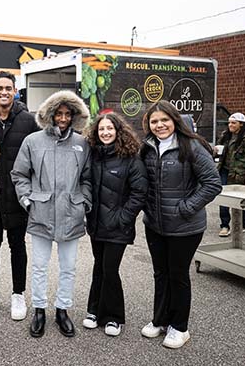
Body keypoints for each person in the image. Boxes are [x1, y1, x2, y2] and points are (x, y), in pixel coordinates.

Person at [139, 100, 221, 349]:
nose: (159, 125)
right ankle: (160, 320)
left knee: (178, 275)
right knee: (160, 274)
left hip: (185, 227)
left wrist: (186, 207)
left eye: (164, 120)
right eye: (154, 121)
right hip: (154, 224)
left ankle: (180, 327)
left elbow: (212, 183)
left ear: (174, 120)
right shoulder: (148, 147)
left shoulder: (192, 146)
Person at [11, 90, 92, 338]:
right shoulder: (32, 141)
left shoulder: (81, 143)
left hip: (71, 213)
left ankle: (62, 310)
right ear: (51, 114)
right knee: (39, 266)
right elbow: (19, 174)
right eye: (59, 113)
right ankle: (39, 309)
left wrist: (84, 202)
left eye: (68, 114)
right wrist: (27, 200)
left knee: (68, 267)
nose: (63, 118)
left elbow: (87, 178)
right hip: (41, 213)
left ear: (74, 116)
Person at [0, 70, 38, 321]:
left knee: (17, 247)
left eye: (8, 88)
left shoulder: (29, 121)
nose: (4, 92)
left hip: (17, 198)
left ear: (15, 91)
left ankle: (17, 295)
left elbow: (37, 158)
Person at [83, 113, 148, 337]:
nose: (105, 133)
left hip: (118, 226)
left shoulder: (131, 158)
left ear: (118, 130)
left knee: (110, 269)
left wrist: (123, 218)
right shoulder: (94, 155)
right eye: (101, 129)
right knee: (99, 267)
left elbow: (139, 193)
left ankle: (114, 317)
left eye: (110, 128)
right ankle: (93, 311)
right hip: (96, 225)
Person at [216, 112, 245, 237]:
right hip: (224, 171)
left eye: (233, 123)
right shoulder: (226, 135)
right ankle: (225, 225)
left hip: (240, 174)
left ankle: (242, 223)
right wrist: (214, 151)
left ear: (241, 124)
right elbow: (218, 151)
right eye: (229, 122)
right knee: (223, 198)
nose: (230, 125)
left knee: (240, 201)